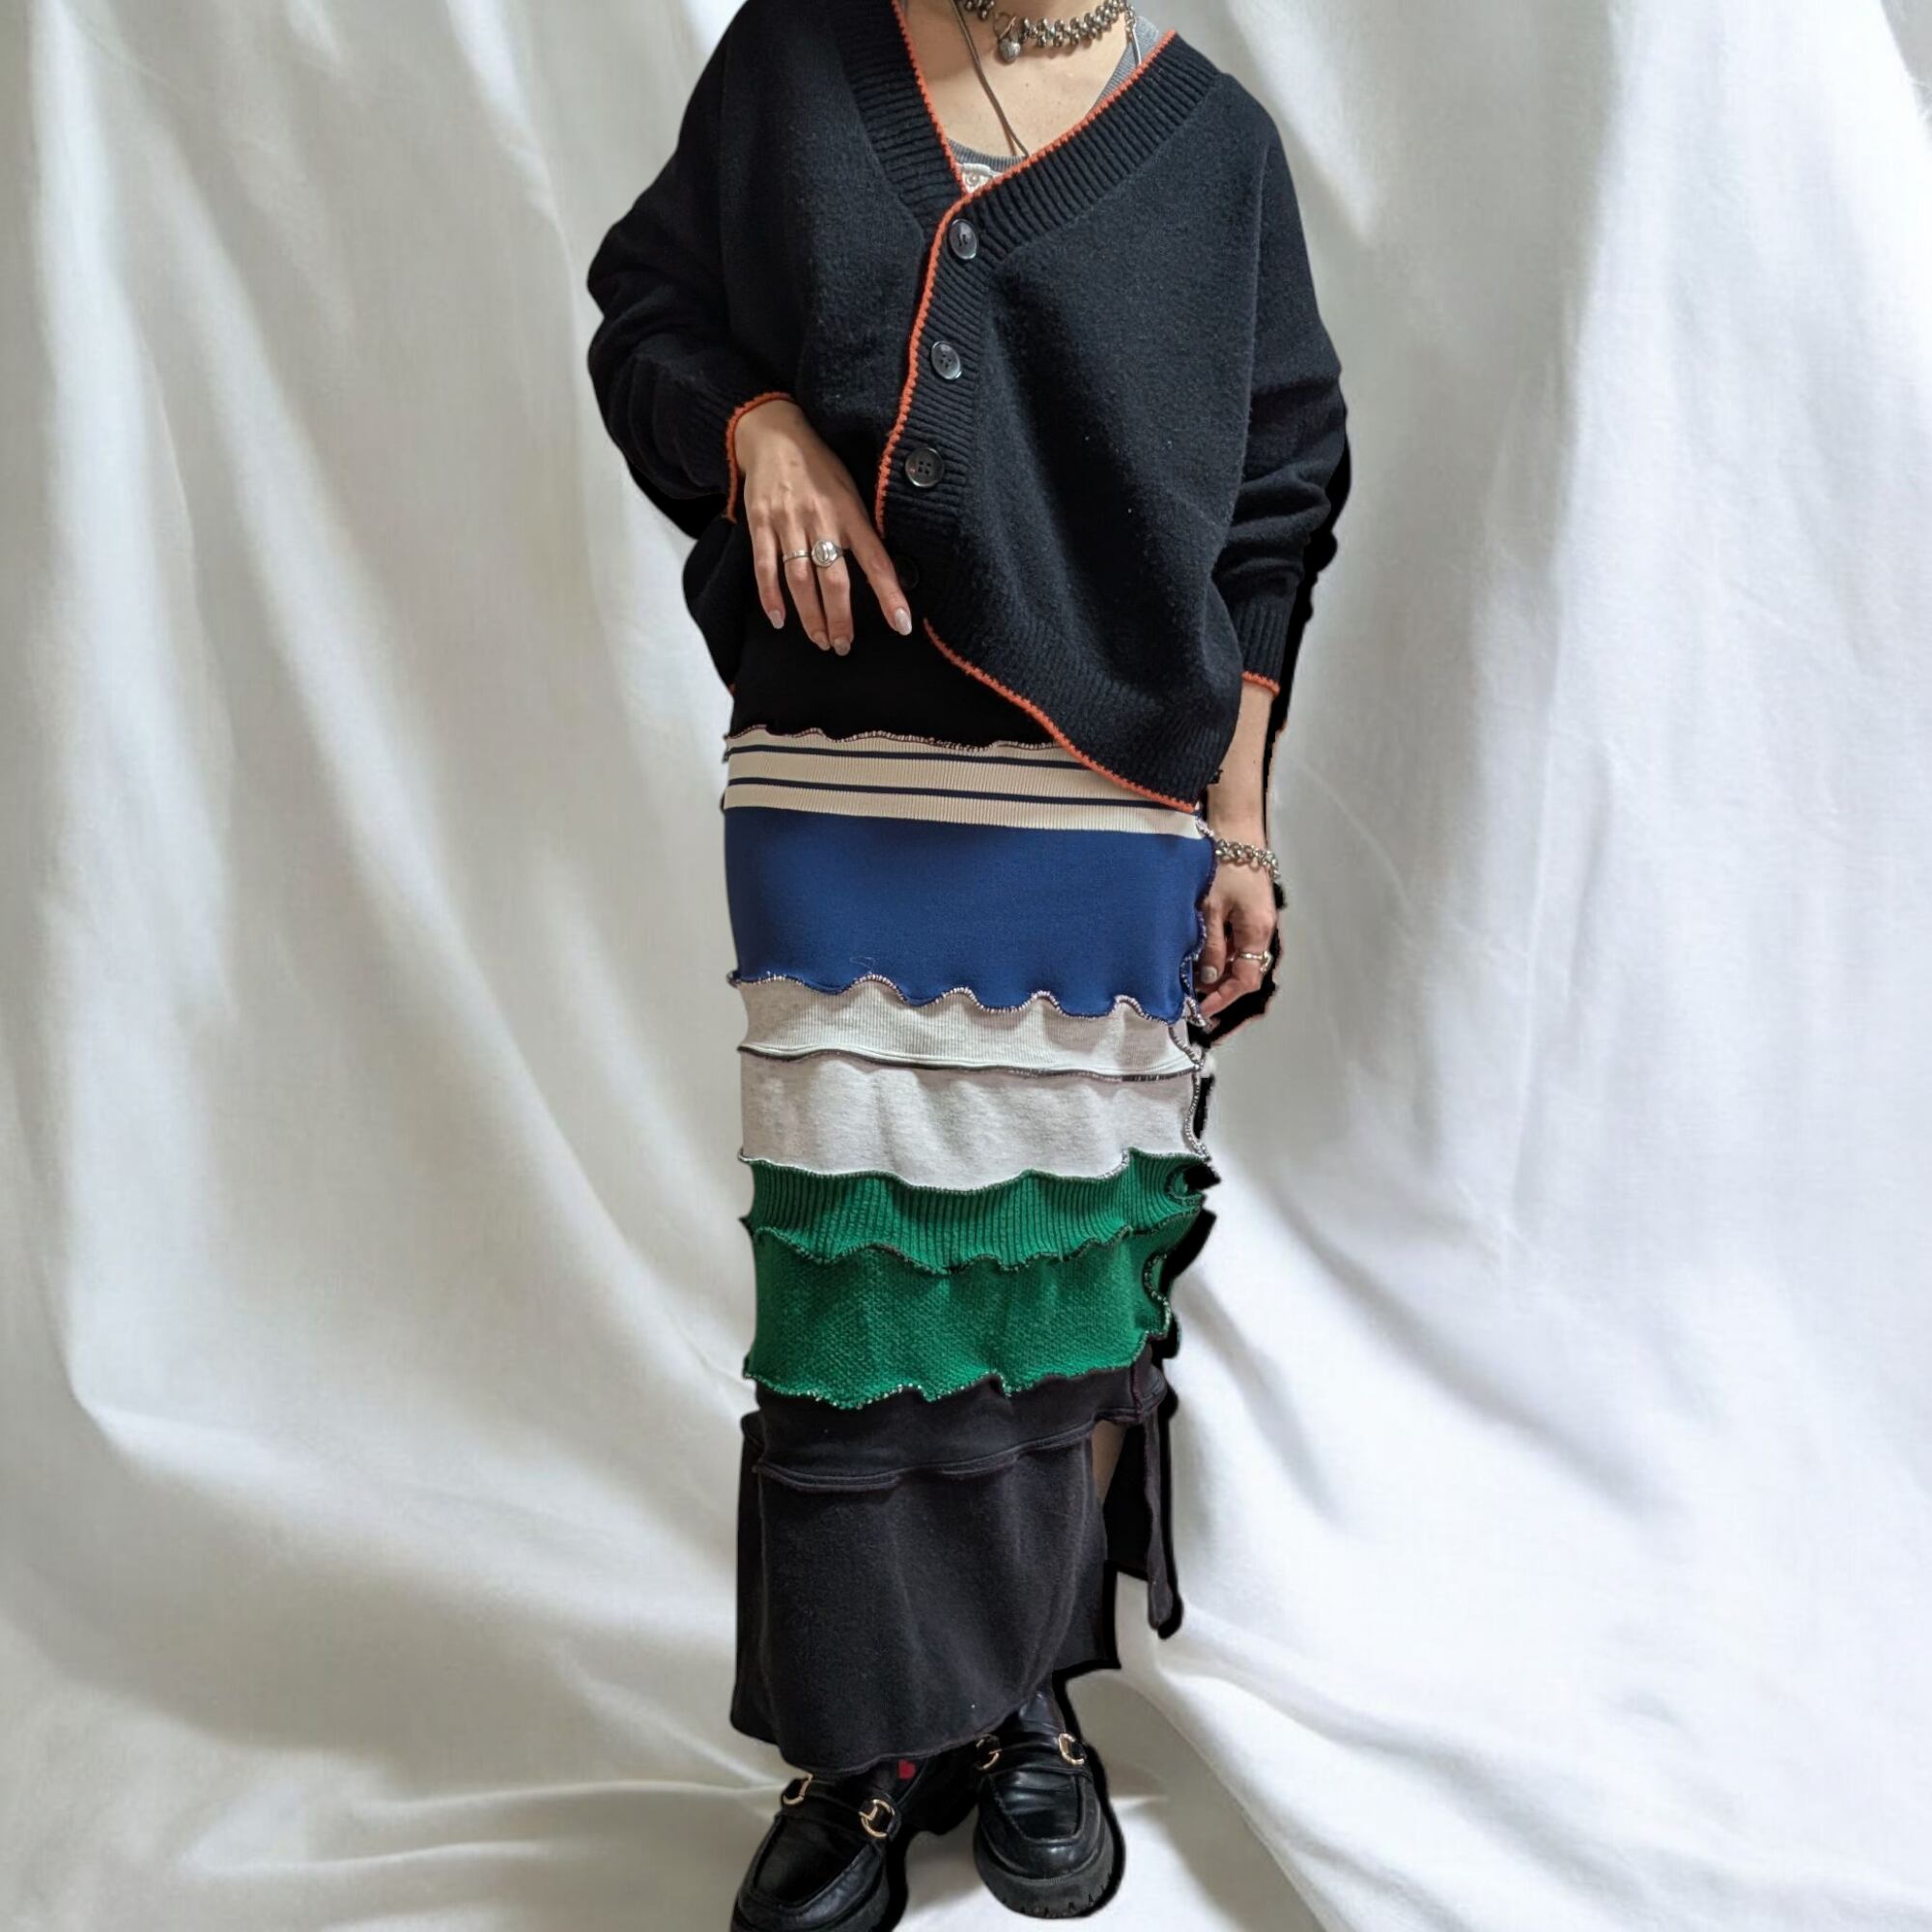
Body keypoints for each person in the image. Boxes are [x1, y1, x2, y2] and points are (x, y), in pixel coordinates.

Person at [584, 1, 1349, 1923]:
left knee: (1061, 1276)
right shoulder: (798, 57)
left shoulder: (1215, 148)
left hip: (1110, 805)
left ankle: (1023, 1706)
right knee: (857, 1276)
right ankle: (860, 1749)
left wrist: (1240, 828)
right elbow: (648, 310)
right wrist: (752, 423)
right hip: (843, 768)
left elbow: (1274, 506)